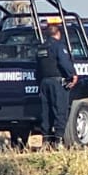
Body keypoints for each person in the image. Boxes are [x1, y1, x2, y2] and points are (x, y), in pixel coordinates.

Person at [35, 18, 79, 148]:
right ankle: (58, 140)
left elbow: (38, 67)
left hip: (44, 82)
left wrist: (39, 83)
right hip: (57, 82)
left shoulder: (41, 48)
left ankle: (46, 140)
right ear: (58, 33)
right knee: (60, 110)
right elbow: (63, 62)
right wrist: (73, 75)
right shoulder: (58, 46)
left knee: (46, 112)